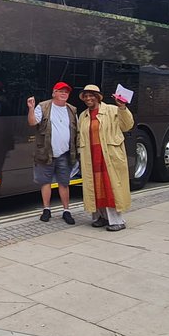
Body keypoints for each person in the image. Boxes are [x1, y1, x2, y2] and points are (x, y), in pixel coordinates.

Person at [77, 84, 135, 231]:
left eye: (91, 95)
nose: (88, 98)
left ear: (98, 97)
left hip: (109, 156)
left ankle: (117, 221)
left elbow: (127, 125)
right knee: (95, 187)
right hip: (91, 157)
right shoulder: (83, 116)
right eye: (86, 96)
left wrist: (122, 108)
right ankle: (101, 217)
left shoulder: (112, 110)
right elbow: (80, 136)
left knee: (110, 187)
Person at [27, 81, 78, 224]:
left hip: (65, 153)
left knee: (64, 183)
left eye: (66, 92)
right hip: (45, 151)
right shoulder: (43, 106)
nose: (63, 94)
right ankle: (46, 209)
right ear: (53, 93)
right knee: (45, 182)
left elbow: (77, 130)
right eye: (60, 91)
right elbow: (32, 122)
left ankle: (66, 211)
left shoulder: (72, 110)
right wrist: (31, 108)